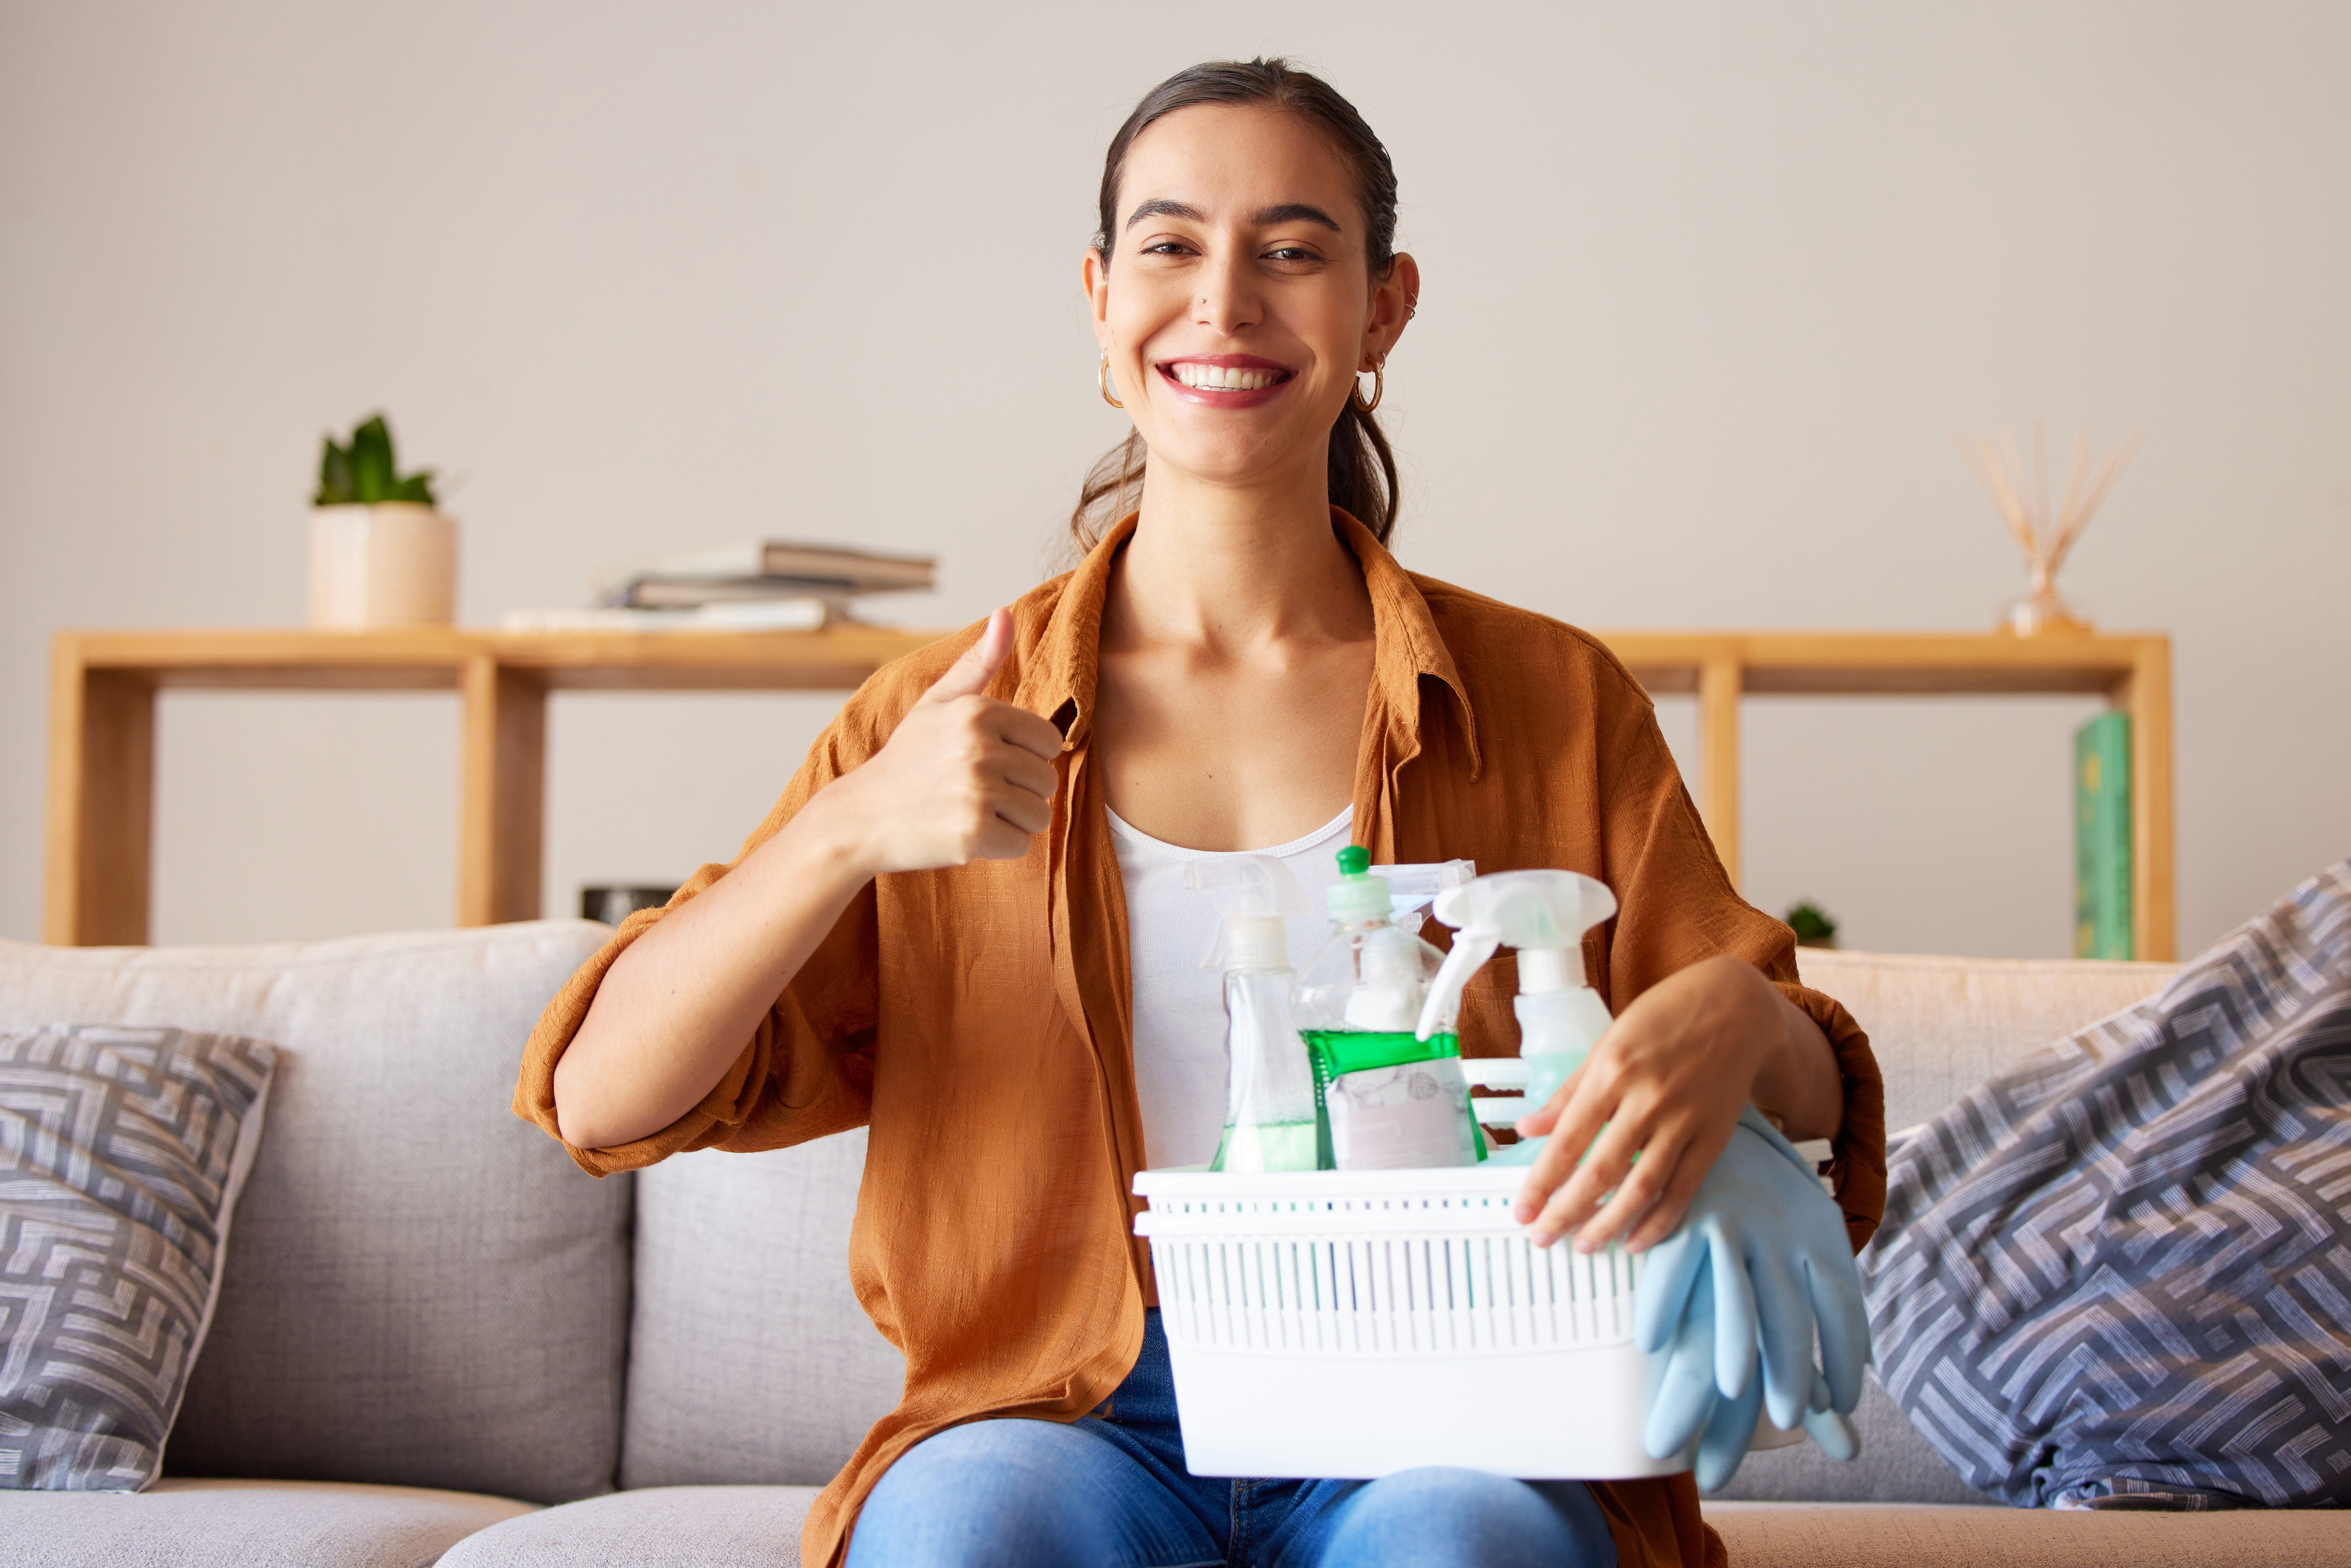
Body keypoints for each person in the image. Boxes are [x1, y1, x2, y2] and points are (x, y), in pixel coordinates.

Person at [516, 57, 1885, 1568]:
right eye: (1170, 246)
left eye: (1292, 250)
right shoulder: (938, 719)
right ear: (1101, 304)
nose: (1225, 301)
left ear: (1382, 310)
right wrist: (848, 829)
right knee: (970, 1528)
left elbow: (1805, 1078)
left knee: (1462, 1538)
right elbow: (601, 1098)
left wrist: (1728, 1026)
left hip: (1446, 1394)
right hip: (1059, 1409)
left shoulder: (1552, 697)